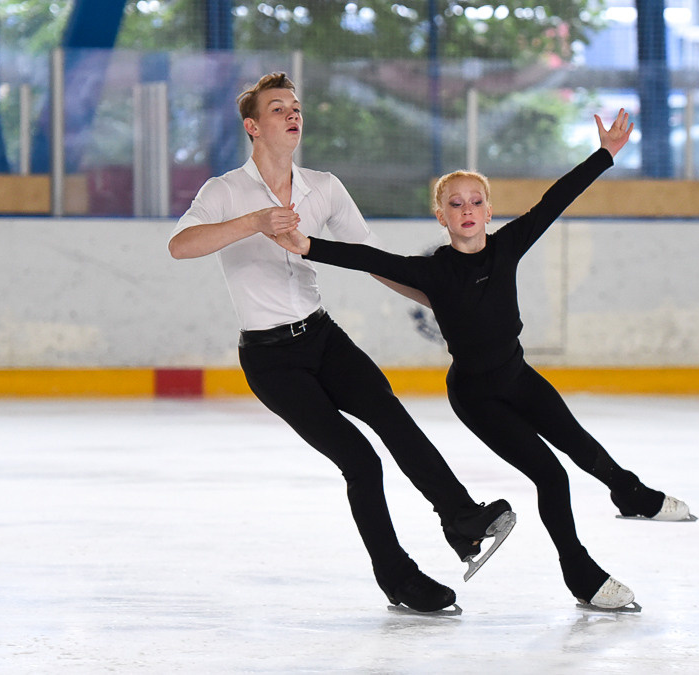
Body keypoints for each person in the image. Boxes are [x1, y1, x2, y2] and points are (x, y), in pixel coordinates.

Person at [272, 108, 693, 611]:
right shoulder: (433, 273)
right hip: (476, 397)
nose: (467, 209)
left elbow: (555, 200)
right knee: (551, 475)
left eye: (476, 201)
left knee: (583, 446)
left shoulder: (508, 246)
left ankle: (631, 494)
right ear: (441, 216)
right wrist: (306, 245)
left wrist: (604, 155)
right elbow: (369, 259)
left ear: (489, 211)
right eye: (455, 203)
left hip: (518, 376)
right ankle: (581, 576)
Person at [168, 72, 515, 614]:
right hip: (270, 359)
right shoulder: (224, 191)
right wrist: (254, 221)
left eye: (297, 107)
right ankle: (398, 579)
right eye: (278, 108)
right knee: (359, 459)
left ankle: (462, 519)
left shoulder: (323, 187)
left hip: (323, 337)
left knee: (393, 418)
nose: (292, 114)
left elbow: (372, 257)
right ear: (253, 126)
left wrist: (445, 302)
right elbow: (181, 246)